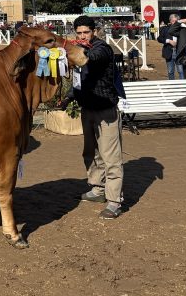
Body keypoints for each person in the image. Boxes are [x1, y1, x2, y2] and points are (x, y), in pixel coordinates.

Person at [68, 15, 124, 220]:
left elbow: (94, 57)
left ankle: (114, 201)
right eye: (79, 33)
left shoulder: (102, 48)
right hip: (87, 109)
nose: (83, 36)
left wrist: (74, 50)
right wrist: (68, 97)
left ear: (95, 31)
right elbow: (78, 80)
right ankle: (98, 189)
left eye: (86, 32)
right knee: (91, 153)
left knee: (111, 157)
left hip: (105, 110)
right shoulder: (77, 50)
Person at [158, 14, 184, 80]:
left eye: (176, 21)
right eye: (173, 21)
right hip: (169, 52)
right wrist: (168, 41)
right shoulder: (165, 29)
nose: (175, 23)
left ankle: (184, 88)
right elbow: (159, 39)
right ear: (170, 21)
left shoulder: (182, 29)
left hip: (179, 53)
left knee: (181, 71)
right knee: (170, 72)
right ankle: (172, 87)